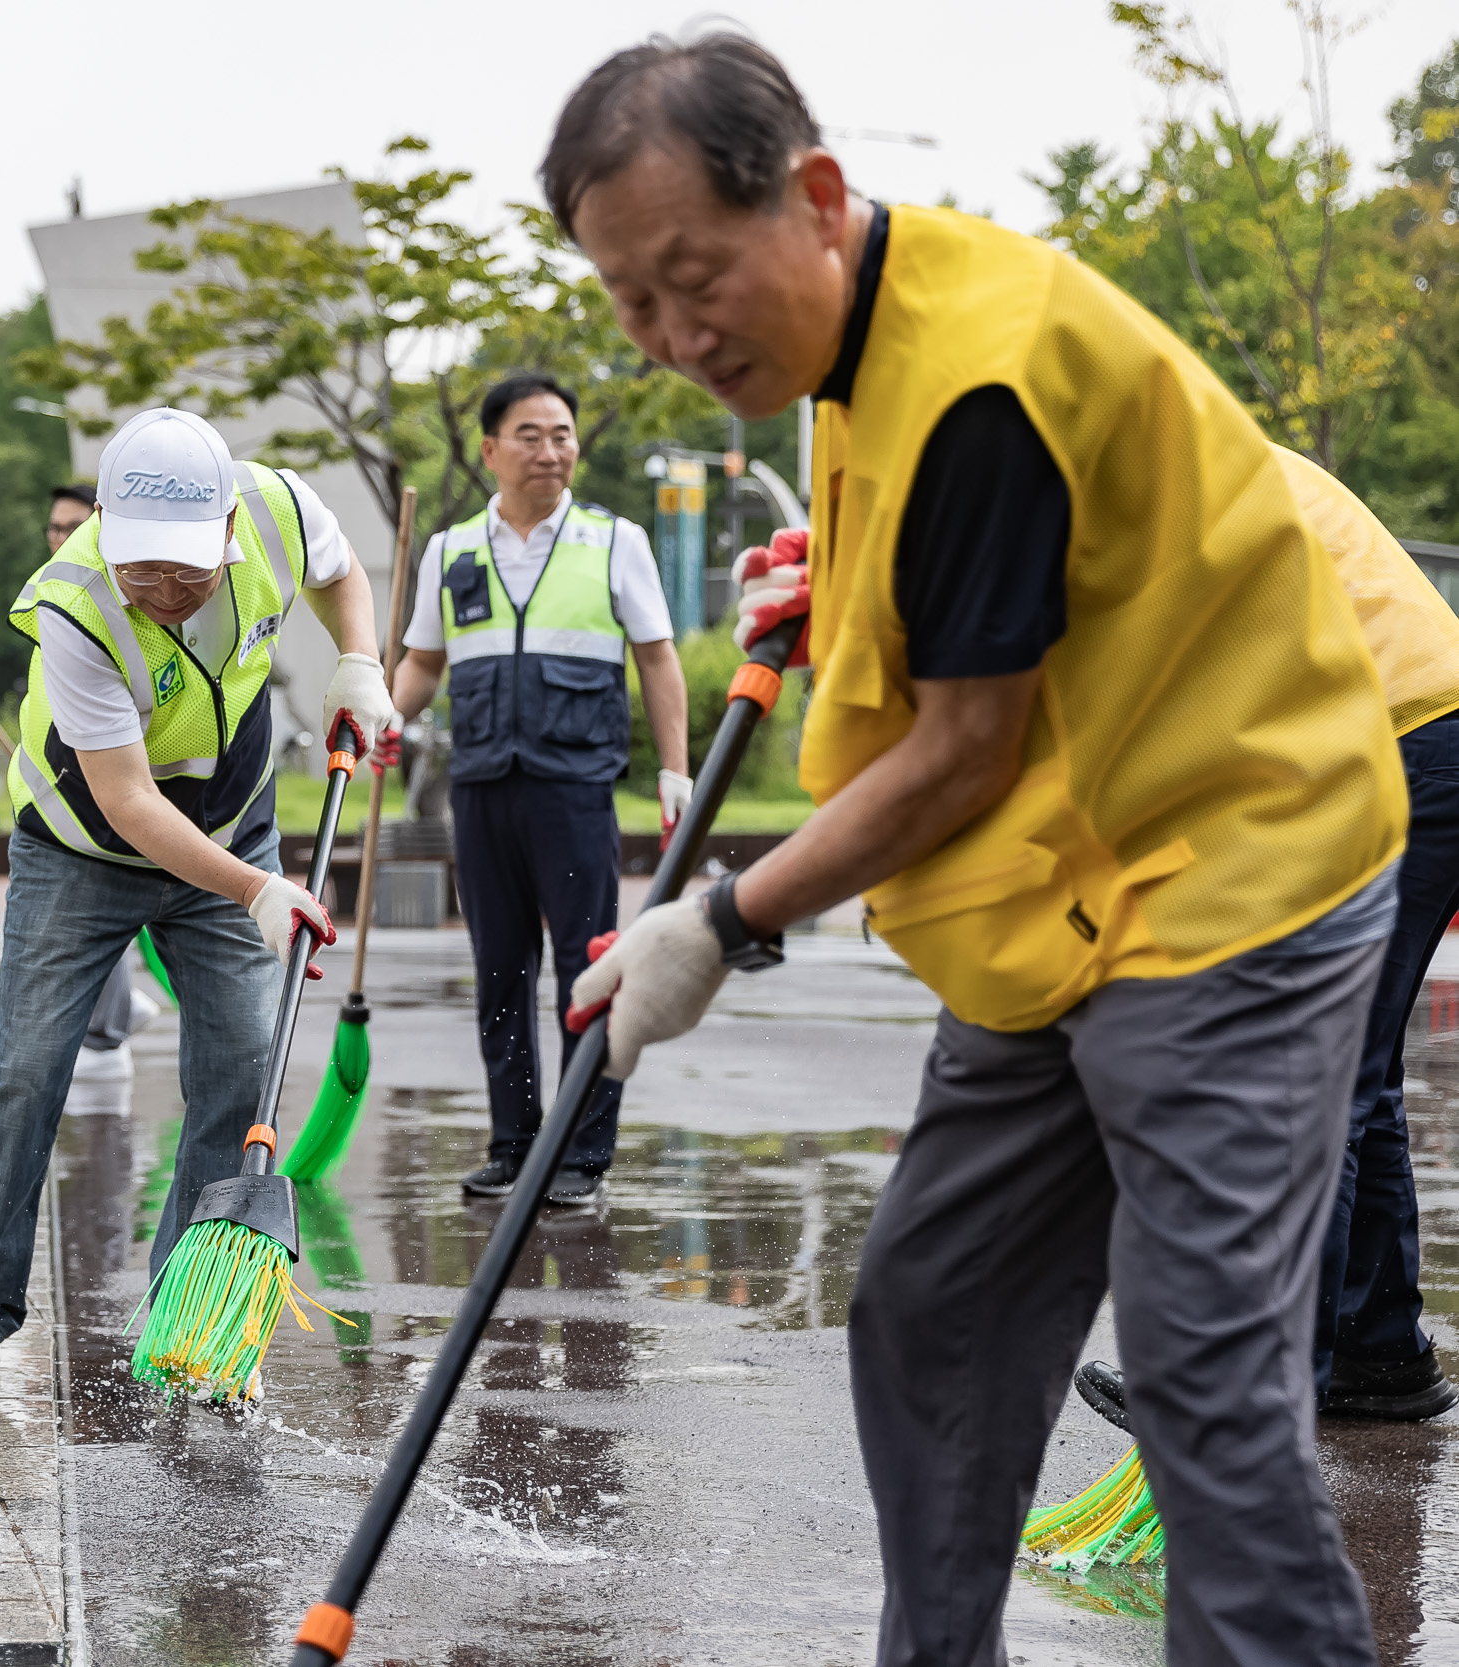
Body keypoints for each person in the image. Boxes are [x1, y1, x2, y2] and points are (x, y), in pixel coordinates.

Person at [548, 33, 1403, 1665]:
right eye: (628, 302)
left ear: (809, 197)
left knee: (1204, 1367)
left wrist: (718, 925)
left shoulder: (984, 367)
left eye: (689, 277)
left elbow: (963, 746)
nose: (670, 335)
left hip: (1226, 862)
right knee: (934, 1308)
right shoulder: (854, 346)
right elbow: (955, 605)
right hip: (1051, 889)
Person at [0, 407, 392, 1392]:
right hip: (84, 846)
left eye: (186, 569)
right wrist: (256, 888)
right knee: (26, 1067)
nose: (165, 592)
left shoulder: (274, 506)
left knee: (239, 1068)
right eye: (144, 568)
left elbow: (341, 571)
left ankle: (195, 1316)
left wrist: (358, 661)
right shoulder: (74, 602)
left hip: (229, 821)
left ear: (227, 526)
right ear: (105, 526)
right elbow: (127, 799)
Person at [1079, 449, 1459, 1430]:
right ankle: (1378, 1354)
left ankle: (1252, 1385)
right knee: (1355, 1072)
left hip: (1397, 743)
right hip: (1426, 729)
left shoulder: (1171, 483)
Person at [377, 372, 690, 1207]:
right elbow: (420, 665)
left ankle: (582, 1156)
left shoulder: (613, 539)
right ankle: (514, 1144)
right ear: (489, 450)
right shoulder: (450, 550)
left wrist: (676, 767)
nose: (551, 450)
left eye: (562, 434)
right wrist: (381, 717)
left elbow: (657, 657)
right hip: (480, 789)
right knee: (497, 971)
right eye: (531, 434)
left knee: (587, 970)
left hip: (575, 787)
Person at [47, 481, 149, 1085]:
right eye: (53, 528)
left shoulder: (116, 599)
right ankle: (112, 1017)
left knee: (108, 908)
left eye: (70, 527)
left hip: (136, 790)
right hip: (65, 798)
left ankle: (108, 1030)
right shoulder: (52, 595)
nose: (59, 538)